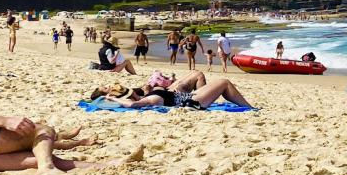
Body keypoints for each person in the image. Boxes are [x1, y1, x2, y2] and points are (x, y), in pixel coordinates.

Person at [0, 95, 140, 173]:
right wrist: (4, 121)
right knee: (42, 131)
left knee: (37, 157)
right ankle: (47, 169)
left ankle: (109, 165)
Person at [100, 75, 254, 110]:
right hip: (192, 101)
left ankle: (247, 106)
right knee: (224, 82)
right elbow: (133, 104)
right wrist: (113, 99)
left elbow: (134, 100)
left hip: (188, 97)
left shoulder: (148, 95)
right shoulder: (151, 98)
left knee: (220, 82)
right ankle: (249, 108)